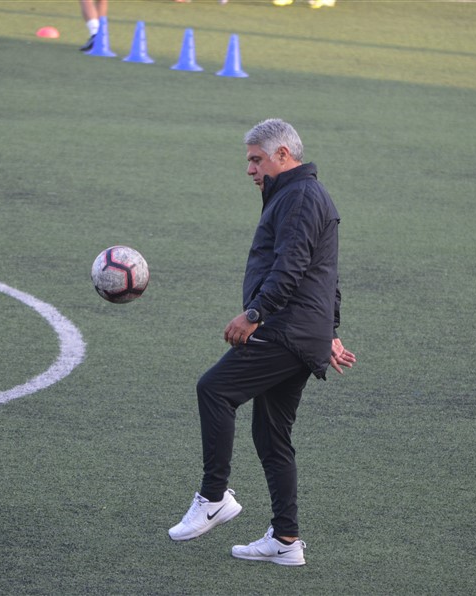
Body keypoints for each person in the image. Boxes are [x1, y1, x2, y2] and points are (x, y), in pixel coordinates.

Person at [168, 119, 356, 566]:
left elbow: (291, 267)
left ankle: (214, 497)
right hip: (303, 331)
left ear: (283, 155)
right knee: (272, 435)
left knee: (215, 389)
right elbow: (326, 273)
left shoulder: (300, 197)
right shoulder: (301, 194)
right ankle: (286, 539)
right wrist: (328, 331)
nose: (250, 169)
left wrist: (254, 314)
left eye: (256, 160)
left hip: (284, 330)